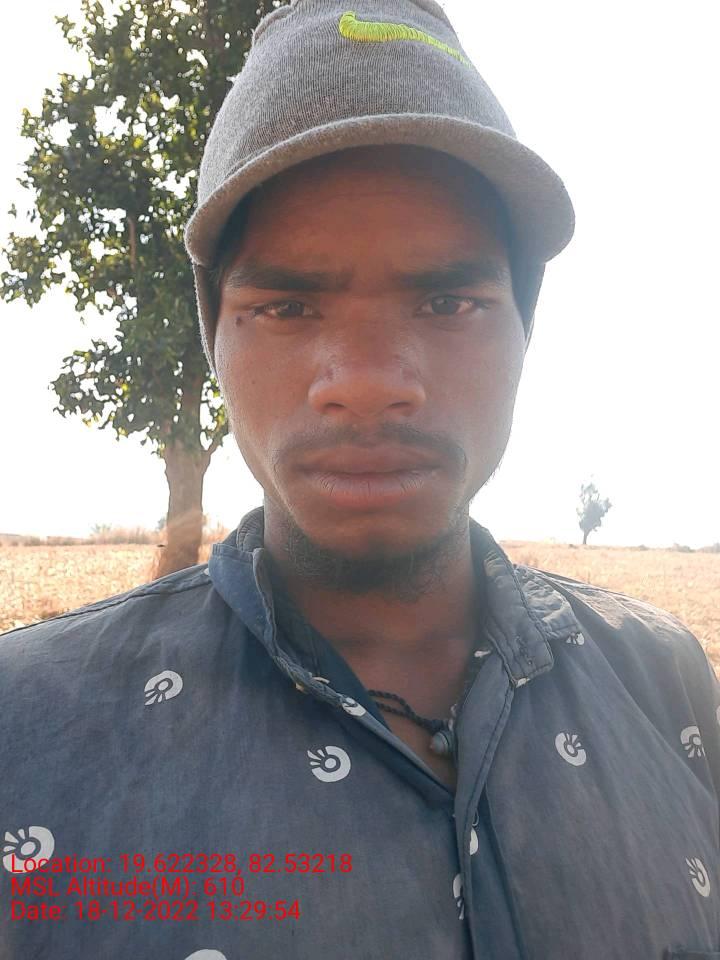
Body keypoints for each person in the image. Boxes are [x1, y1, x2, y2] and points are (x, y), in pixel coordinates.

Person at [1, 1, 718, 958]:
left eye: (449, 301)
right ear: (217, 341)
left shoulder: (667, 687)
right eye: (288, 306)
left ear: (524, 334)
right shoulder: (26, 732)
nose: (370, 381)